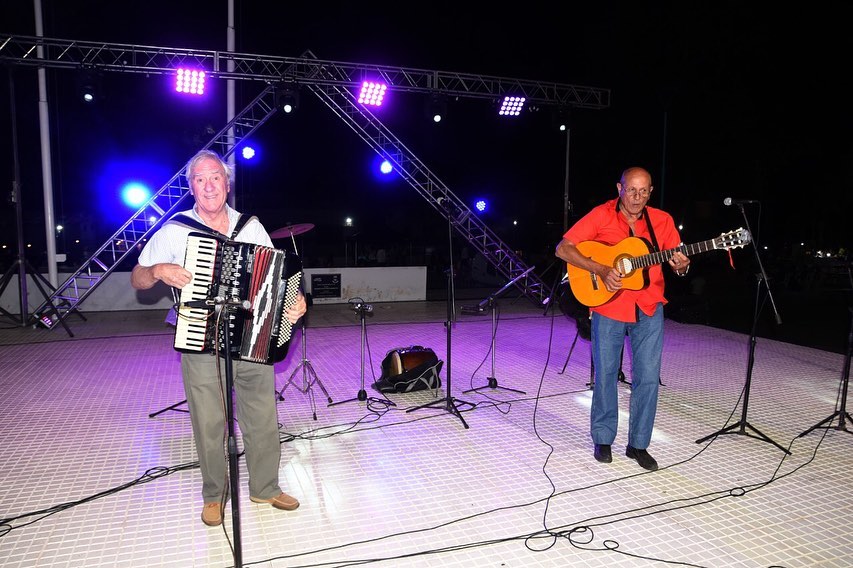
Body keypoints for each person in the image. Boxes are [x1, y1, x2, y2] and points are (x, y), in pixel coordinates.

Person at [131, 149, 307, 526]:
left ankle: (265, 487)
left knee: (262, 417)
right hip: (200, 337)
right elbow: (138, 278)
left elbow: (276, 276)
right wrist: (159, 269)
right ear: (191, 187)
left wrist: (295, 301)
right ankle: (214, 495)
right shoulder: (174, 229)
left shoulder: (251, 227)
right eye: (200, 179)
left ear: (227, 184)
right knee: (210, 422)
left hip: (251, 335)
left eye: (215, 178)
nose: (209, 185)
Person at [555, 166, 690, 471]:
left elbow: (677, 263)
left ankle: (638, 444)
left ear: (651, 192)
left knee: (647, 378)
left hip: (649, 305)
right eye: (632, 190)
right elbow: (563, 248)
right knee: (605, 374)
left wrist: (682, 265)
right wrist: (602, 270)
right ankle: (602, 439)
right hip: (609, 305)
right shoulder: (601, 215)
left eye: (644, 191)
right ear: (619, 187)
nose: (637, 197)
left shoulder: (663, 221)